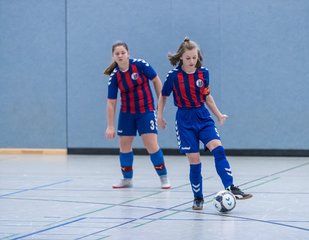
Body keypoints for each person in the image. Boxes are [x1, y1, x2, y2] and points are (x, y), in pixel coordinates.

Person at [157, 37, 252, 210]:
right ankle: (198, 198)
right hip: (185, 120)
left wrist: (218, 115)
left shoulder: (203, 73)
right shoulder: (174, 76)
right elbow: (163, 96)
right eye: (188, 58)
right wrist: (159, 116)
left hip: (202, 116)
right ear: (180, 58)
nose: (192, 61)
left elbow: (207, 96)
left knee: (219, 149)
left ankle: (230, 186)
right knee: (195, 161)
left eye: (195, 57)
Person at [104, 41, 171, 189]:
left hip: (145, 111)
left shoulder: (140, 65)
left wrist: (160, 106)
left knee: (151, 145)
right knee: (124, 146)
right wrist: (110, 126)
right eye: (117, 54)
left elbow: (156, 80)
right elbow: (111, 102)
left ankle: (163, 177)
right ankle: (127, 179)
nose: (120, 56)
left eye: (123, 52)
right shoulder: (115, 77)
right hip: (127, 113)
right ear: (113, 56)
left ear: (128, 53)